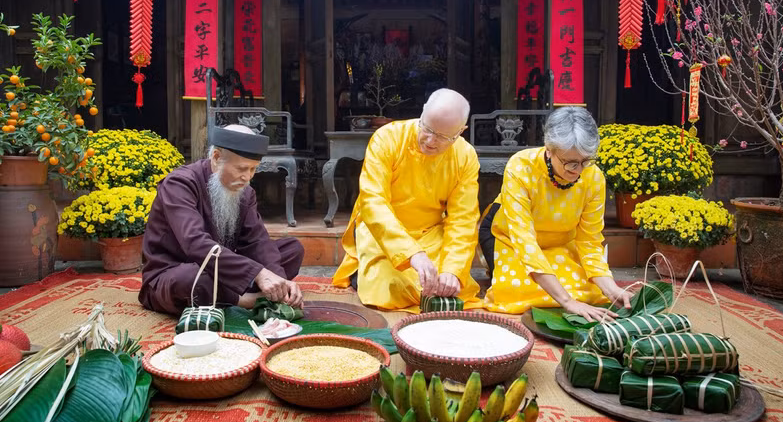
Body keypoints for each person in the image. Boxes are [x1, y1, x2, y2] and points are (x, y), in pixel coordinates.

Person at [331, 88, 482, 312]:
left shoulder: (465, 156)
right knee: (391, 286)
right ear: (422, 113)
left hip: (429, 233)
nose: (430, 141)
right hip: (383, 233)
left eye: (442, 136)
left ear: (461, 131)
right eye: (427, 129)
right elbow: (373, 203)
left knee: (451, 283)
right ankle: (363, 270)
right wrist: (411, 253)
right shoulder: (387, 138)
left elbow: (464, 218)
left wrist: (453, 269)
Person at [479, 106, 631, 321]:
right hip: (511, 241)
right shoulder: (521, 166)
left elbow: (589, 241)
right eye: (570, 163)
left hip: (560, 244)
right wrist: (568, 302)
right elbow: (524, 239)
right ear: (549, 150)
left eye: (585, 161)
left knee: (590, 292)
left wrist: (612, 288)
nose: (578, 171)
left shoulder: (593, 177)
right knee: (515, 291)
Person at [139, 124, 305, 315]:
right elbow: (195, 244)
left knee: (291, 250)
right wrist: (258, 273)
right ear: (216, 158)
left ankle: (232, 293)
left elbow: (257, 240)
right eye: (242, 168)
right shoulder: (180, 184)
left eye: (253, 170)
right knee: (192, 278)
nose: (247, 178)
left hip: (221, 268)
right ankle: (243, 300)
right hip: (176, 272)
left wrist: (279, 281)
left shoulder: (245, 191)